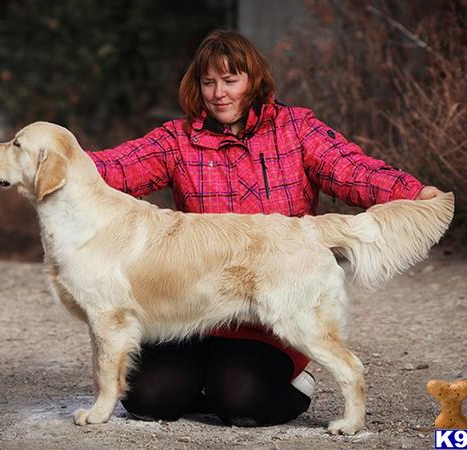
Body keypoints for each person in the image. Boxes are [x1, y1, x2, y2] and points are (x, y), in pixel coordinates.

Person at [86, 30, 442, 426]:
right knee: (148, 398)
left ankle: (287, 380)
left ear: (252, 80)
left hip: (270, 307)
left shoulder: (297, 129)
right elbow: (113, 167)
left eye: (230, 80)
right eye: (209, 82)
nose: (219, 93)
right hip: (193, 309)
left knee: (242, 400)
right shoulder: (177, 140)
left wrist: (413, 191)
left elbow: (353, 170)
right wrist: (50, 158)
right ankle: (207, 378)